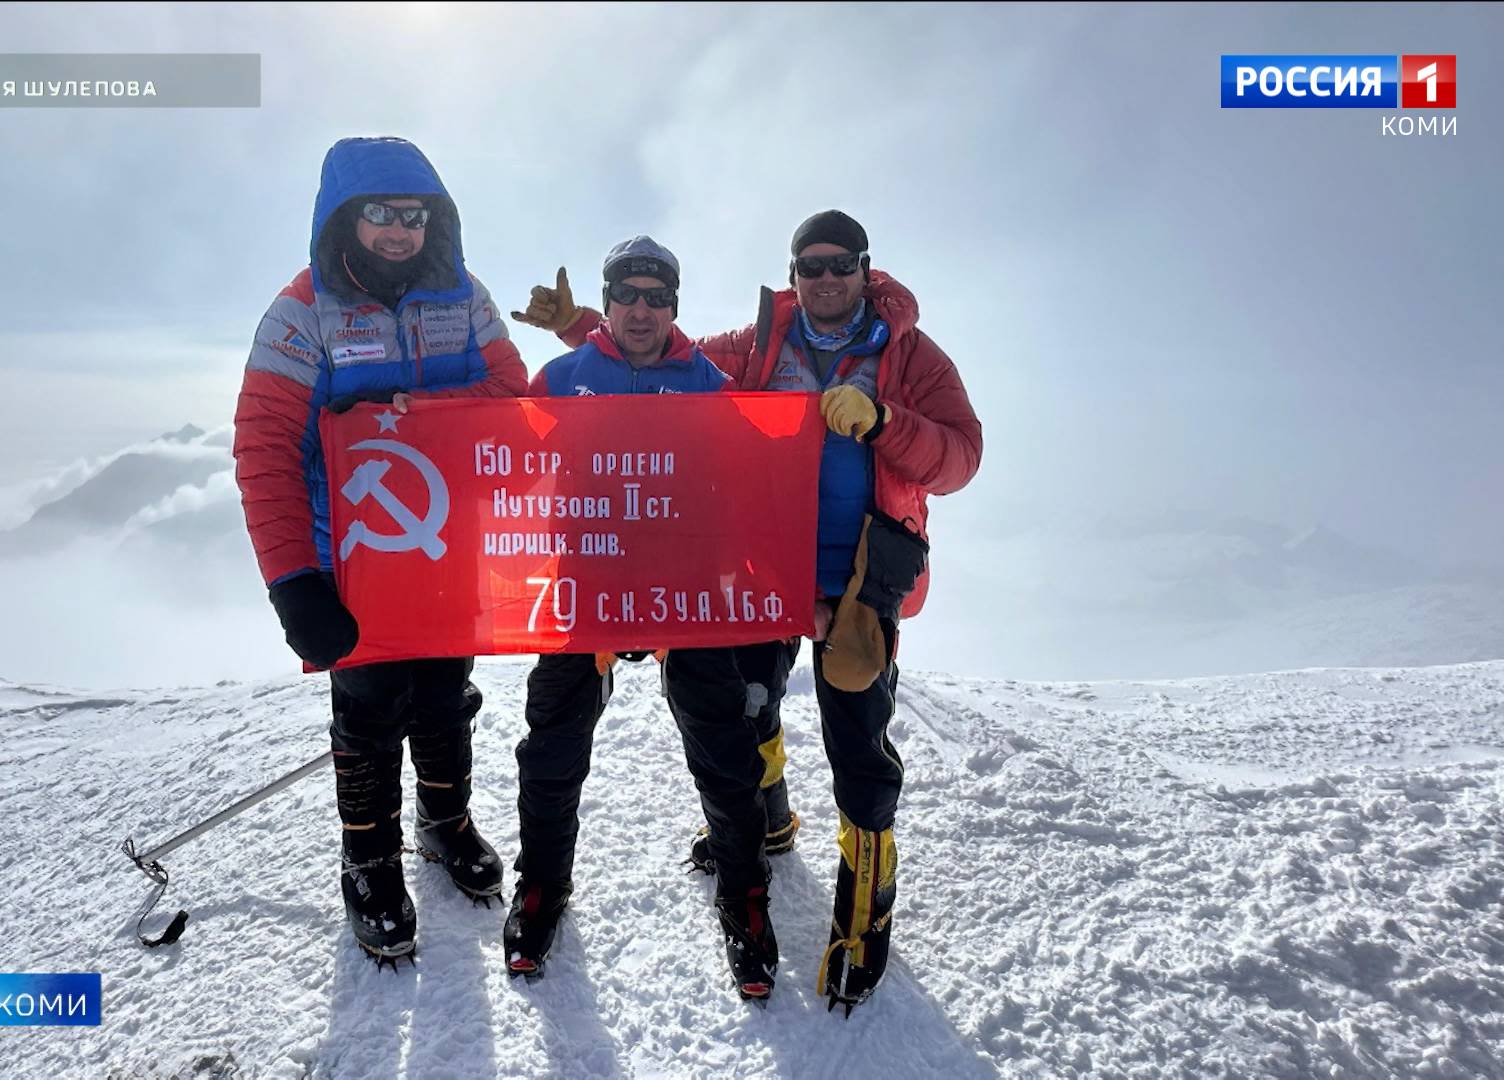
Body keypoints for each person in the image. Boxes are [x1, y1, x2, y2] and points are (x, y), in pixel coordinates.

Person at [513, 210, 983, 1011]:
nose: (827, 278)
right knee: (748, 713)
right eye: (812, 265)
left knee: (857, 755)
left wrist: (887, 423)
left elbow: (962, 455)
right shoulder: (764, 341)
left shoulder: (910, 356)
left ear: (866, 270)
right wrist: (581, 327)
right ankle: (764, 833)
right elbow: (648, 357)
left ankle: (863, 923)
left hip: (864, 577)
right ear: (793, 273)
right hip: (765, 571)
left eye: (842, 265)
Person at [234, 136, 528, 965]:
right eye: (380, 215)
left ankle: (445, 822)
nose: (400, 232)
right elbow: (263, 449)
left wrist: (412, 408)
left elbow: (512, 393)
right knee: (365, 718)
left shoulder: (464, 298)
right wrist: (293, 581)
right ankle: (367, 860)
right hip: (350, 564)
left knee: (444, 696)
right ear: (343, 219)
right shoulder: (299, 314)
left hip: (446, 553)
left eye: (414, 215)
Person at [501, 237, 786, 1001]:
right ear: (609, 300)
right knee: (552, 750)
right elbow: (497, 460)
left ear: (674, 307)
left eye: (656, 297)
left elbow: (756, 477)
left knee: (726, 754)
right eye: (627, 294)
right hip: (586, 587)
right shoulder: (562, 377)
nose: (640, 310)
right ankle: (541, 889)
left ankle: (744, 894)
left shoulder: (707, 382)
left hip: (685, 589)